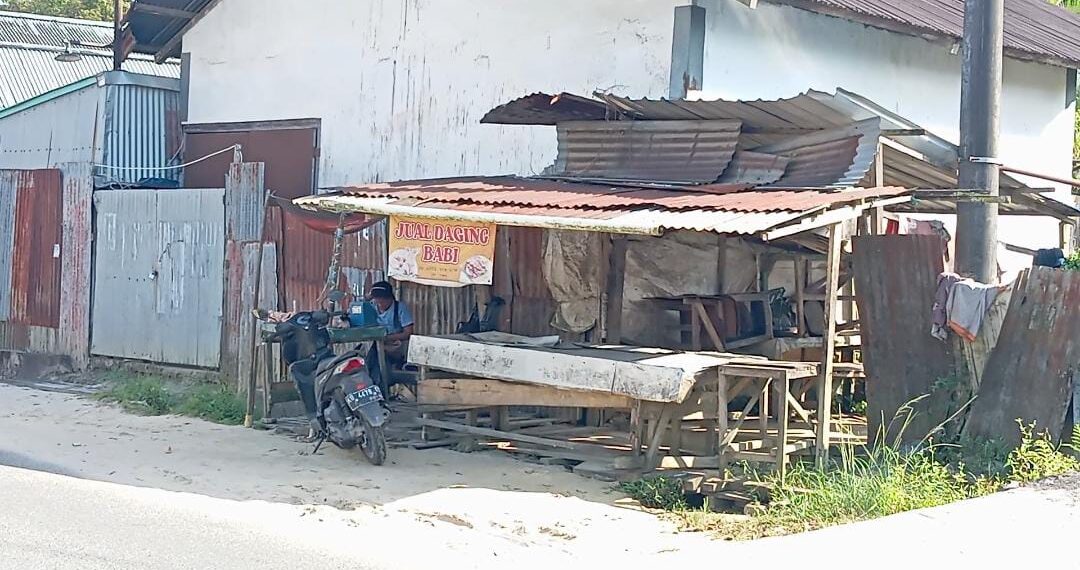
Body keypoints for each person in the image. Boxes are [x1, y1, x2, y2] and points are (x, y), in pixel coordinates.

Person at [349, 281, 414, 388]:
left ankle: (379, 387)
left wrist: (387, 338)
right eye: (376, 300)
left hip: (395, 348)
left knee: (378, 364)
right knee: (371, 360)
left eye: (382, 300)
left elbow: (408, 333)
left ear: (390, 298)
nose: (379, 303)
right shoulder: (372, 307)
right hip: (378, 347)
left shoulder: (400, 308)